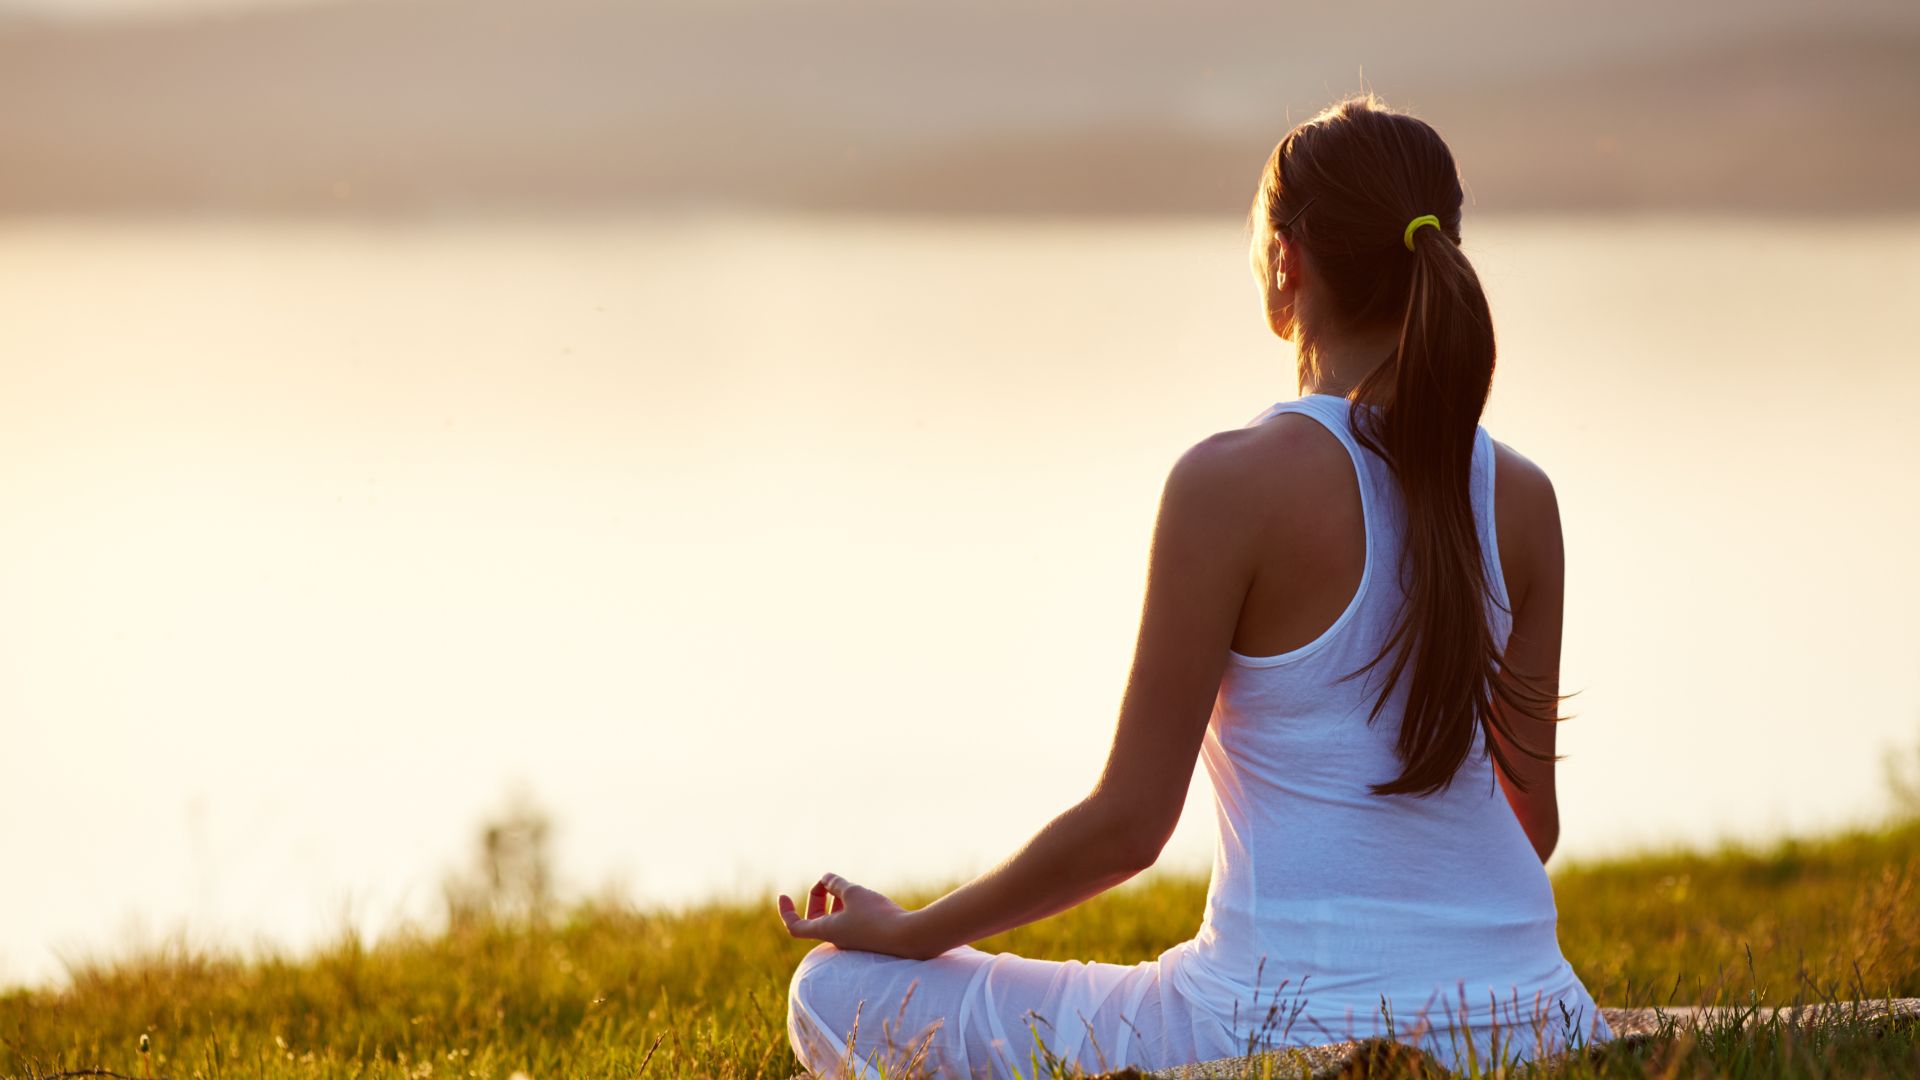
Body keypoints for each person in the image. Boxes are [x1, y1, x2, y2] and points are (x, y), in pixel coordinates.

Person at [777, 92, 1614, 1077]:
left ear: (1286, 267)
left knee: (832, 990)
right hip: (1538, 1020)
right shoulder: (1522, 496)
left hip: (1268, 1030)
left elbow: (1128, 830)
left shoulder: (1229, 485)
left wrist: (916, 929)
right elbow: (1534, 827)